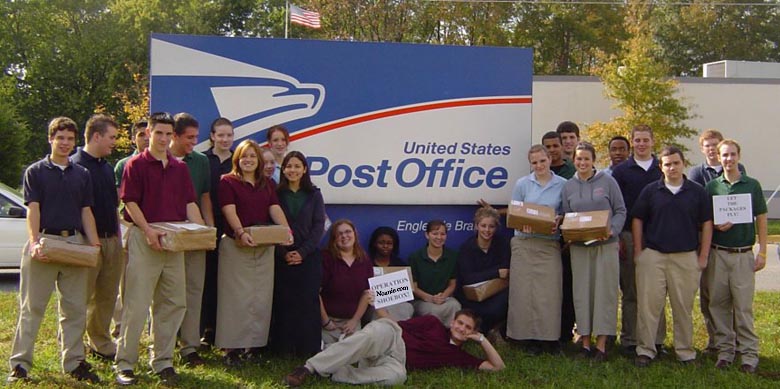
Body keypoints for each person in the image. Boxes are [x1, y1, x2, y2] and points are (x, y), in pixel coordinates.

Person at [8, 117, 101, 384]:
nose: (65, 143)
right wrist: (35, 241)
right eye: (60, 138)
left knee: (74, 309)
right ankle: (20, 364)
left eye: (70, 139)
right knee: (31, 307)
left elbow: (86, 212)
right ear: (50, 139)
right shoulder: (35, 171)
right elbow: (32, 209)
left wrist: (94, 244)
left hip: (73, 244)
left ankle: (74, 363)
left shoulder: (82, 174)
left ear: (75, 142)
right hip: (44, 243)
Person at [114, 112, 205, 386]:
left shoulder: (180, 168)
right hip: (145, 238)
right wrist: (148, 230)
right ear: (149, 134)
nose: (164, 139)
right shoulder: (136, 165)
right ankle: (125, 364)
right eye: (159, 134)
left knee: (174, 303)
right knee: (137, 304)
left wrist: (201, 232)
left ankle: (163, 361)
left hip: (174, 242)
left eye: (168, 134)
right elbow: (130, 203)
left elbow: (190, 203)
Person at [632, 146, 713, 367]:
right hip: (653, 256)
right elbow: (637, 219)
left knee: (683, 308)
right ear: (661, 166)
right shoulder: (651, 191)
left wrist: (703, 255)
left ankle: (685, 352)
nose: (672, 167)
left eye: (676, 163)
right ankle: (646, 350)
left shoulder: (697, 192)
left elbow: (707, 223)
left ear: (683, 164)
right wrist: (639, 252)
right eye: (667, 164)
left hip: (685, 257)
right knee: (649, 307)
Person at [282, 309, 505, 387]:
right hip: (393, 337)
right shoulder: (433, 323)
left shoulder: (459, 356)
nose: (462, 328)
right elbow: (394, 326)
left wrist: (481, 339)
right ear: (452, 322)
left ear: (471, 332)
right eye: (460, 323)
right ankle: (309, 368)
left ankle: (335, 373)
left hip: (398, 361)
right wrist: (380, 314)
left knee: (398, 377)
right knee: (373, 334)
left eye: (468, 328)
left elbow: (498, 367)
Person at [216, 140, 292, 365]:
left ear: (259, 160)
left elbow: (274, 208)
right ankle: (231, 349)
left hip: (263, 246)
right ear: (237, 159)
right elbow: (228, 209)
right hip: (236, 245)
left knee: (260, 297)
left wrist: (285, 230)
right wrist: (240, 232)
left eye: (252, 156)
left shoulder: (267, 183)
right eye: (243, 156)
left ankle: (253, 347)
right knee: (235, 299)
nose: (248, 160)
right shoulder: (227, 182)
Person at [705, 139, 767, 374]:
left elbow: (761, 217)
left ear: (738, 156)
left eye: (732, 155)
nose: (728, 159)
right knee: (718, 304)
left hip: (742, 254)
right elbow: (706, 219)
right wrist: (716, 225)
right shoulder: (712, 186)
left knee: (742, 307)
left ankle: (749, 354)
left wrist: (762, 250)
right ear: (718, 158)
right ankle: (725, 351)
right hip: (718, 253)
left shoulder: (752, 185)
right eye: (724, 155)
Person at [561, 142, 626, 361]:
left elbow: (620, 210)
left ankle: (601, 345)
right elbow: (567, 216)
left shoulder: (608, 181)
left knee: (604, 293)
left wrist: (612, 230)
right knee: (582, 294)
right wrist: (569, 233)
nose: (582, 163)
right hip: (580, 248)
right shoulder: (568, 186)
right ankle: (585, 343)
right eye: (578, 159)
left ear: (593, 160)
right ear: (574, 161)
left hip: (605, 246)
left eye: (586, 159)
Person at [687, 129, 746, 354]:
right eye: (707, 146)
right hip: (707, 240)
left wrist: (733, 220)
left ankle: (738, 341)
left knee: (734, 296)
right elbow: (695, 204)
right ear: (702, 149)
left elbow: (743, 204)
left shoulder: (738, 170)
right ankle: (715, 341)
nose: (712, 149)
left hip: (732, 239)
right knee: (710, 293)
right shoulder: (697, 173)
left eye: (715, 145)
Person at [610, 124, 666, 355]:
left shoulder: (662, 169)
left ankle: (657, 340)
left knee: (656, 292)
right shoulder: (621, 171)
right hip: (628, 236)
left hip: (658, 237)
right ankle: (630, 339)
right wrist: (619, 238)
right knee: (631, 291)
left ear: (652, 141)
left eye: (646, 140)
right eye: (638, 140)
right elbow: (615, 207)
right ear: (632, 142)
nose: (641, 144)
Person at [71, 114, 123, 363]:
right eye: (111, 137)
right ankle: (72, 345)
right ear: (96, 136)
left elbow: (113, 205)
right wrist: (91, 242)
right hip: (84, 241)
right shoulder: (74, 165)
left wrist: (116, 236)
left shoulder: (105, 166)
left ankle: (100, 343)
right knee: (79, 296)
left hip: (111, 239)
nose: (114, 142)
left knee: (106, 295)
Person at [506, 144, 566, 354]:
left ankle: (549, 339)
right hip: (524, 243)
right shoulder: (522, 184)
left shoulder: (563, 185)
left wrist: (559, 219)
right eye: (534, 162)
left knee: (549, 294)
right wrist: (522, 221)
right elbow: (513, 213)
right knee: (523, 293)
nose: (539, 165)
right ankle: (525, 339)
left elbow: (567, 214)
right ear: (530, 164)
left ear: (550, 159)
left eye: (542, 160)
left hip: (548, 245)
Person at [271, 151, 326, 357]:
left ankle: (307, 349)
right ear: (283, 169)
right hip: (281, 257)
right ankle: (283, 349)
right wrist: (284, 252)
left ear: (304, 169)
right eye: (288, 166)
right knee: (284, 302)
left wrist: (302, 252)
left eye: (297, 166)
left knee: (307, 303)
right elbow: (270, 225)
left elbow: (318, 226)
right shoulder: (275, 194)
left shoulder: (314, 194)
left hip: (308, 257)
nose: (292, 170)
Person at [170, 113, 214, 367]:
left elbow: (205, 196)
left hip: (195, 233)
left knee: (194, 290)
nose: (194, 142)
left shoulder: (200, 161)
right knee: (167, 292)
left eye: (196, 137)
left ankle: (190, 346)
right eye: (189, 137)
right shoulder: (159, 161)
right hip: (168, 235)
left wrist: (208, 228)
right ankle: (164, 343)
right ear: (174, 136)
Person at [200, 117, 234, 347]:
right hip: (205, 226)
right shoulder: (203, 160)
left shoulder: (239, 160)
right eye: (220, 135)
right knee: (206, 279)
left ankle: (224, 329)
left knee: (228, 280)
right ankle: (205, 329)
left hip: (232, 228)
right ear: (212, 136)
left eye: (229, 135)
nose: (224, 139)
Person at [455, 207, 510, 334]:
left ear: (496, 228)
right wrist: (495, 272)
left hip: (496, 292)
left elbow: (506, 270)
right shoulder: (467, 248)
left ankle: (495, 330)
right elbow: (467, 278)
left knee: (506, 299)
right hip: (472, 296)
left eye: (491, 226)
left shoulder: (502, 244)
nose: (487, 230)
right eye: (483, 226)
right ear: (476, 226)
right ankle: (481, 330)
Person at [320, 219, 374, 347]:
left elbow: (367, 294)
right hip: (329, 323)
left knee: (354, 354)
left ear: (355, 234)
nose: (344, 236)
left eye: (348, 232)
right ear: (334, 239)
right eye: (339, 234)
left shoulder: (364, 260)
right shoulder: (326, 258)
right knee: (329, 355)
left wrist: (354, 321)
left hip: (351, 323)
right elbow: (315, 293)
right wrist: (326, 321)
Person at [409, 220, 461, 326]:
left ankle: (450, 336)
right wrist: (431, 298)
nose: (439, 237)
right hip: (423, 301)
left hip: (445, 299)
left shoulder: (453, 256)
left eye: (442, 234)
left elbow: (452, 283)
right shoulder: (415, 257)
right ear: (427, 235)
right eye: (435, 233)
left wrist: (443, 297)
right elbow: (413, 287)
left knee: (455, 306)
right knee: (433, 312)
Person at [368, 226, 414, 321]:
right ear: (374, 244)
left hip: (397, 304)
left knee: (406, 308)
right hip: (374, 305)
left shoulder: (400, 265)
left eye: (389, 243)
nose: (385, 246)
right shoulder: (366, 264)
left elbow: (407, 292)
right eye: (381, 243)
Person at [114, 119, 149, 189]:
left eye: (149, 134)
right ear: (133, 139)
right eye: (141, 135)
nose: (146, 138)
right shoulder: (123, 165)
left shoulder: (163, 162)